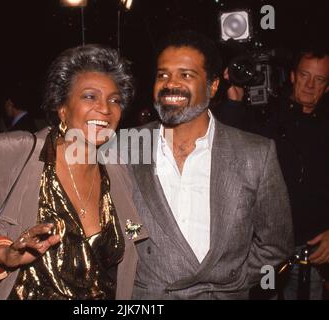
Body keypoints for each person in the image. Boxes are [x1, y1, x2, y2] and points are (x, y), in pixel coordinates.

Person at [0, 44, 138, 300]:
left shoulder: (119, 173)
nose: (105, 109)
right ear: (62, 108)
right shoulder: (7, 154)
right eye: (89, 96)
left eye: (114, 100)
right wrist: (2, 254)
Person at [121, 30, 294, 299]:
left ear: (213, 86)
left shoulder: (255, 154)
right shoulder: (127, 147)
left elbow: (276, 244)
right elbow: (115, 226)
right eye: (162, 75)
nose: (170, 84)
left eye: (186, 75)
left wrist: (229, 280)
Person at [222, 49, 329, 299]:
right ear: (292, 76)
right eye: (304, 75)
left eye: (320, 79)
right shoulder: (265, 113)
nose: (310, 85)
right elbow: (226, 145)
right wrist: (233, 101)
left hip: (312, 249)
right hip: (261, 247)